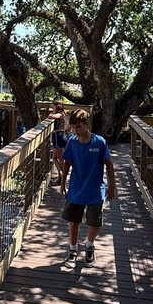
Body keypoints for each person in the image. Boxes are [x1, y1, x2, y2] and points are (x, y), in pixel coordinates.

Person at [59, 108, 116, 268]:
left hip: (96, 189)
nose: (75, 131)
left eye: (78, 127)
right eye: (73, 128)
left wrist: (112, 186)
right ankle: (72, 249)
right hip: (76, 188)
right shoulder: (72, 142)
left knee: (95, 222)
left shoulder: (99, 142)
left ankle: (89, 245)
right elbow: (66, 163)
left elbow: (109, 165)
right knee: (73, 220)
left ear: (87, 124)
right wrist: (63, 183)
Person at [49, 101, 69, 184]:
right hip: (58, 136)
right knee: (54, 158)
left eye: (53, 105)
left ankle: (63, 178)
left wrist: (51, 114)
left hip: (59, 136)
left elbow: (51, 116)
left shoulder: (60, 114)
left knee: (61, 159)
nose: (52, 106)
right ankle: (60, 175)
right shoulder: (63, 114)